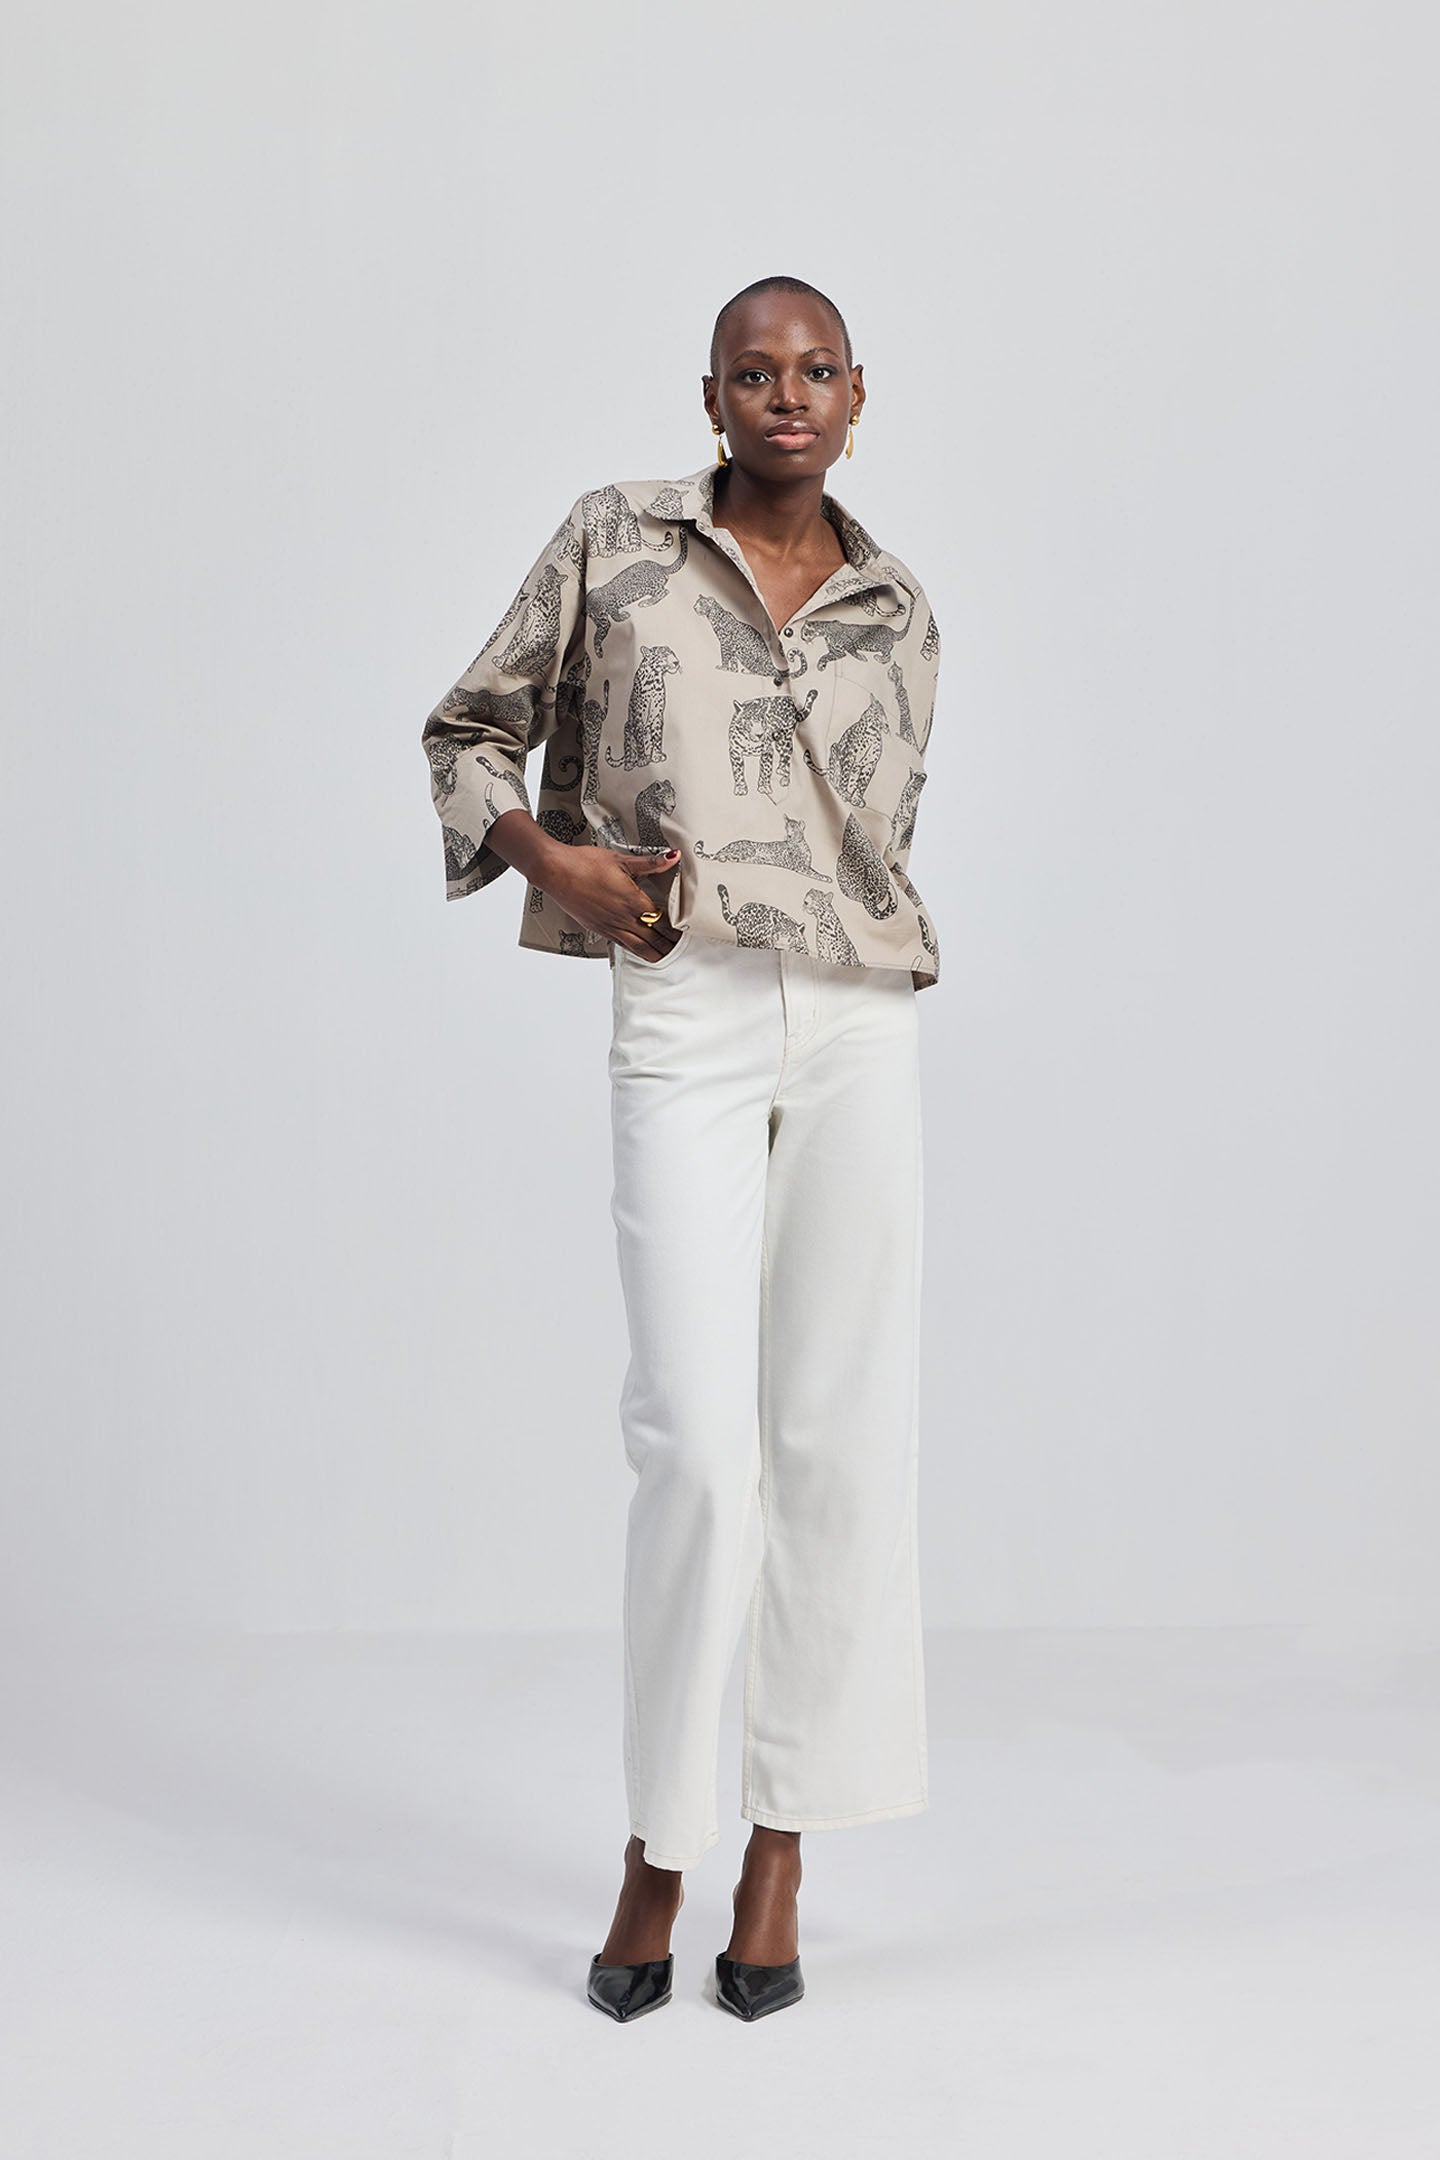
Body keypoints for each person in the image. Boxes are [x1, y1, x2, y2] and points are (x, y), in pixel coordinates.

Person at [421, 275, 943, 2023]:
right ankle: (662, 1840)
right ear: (710, 397)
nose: (786, 396)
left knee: (841, 1440)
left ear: (856, 396)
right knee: (700, 1449)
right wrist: (554, 862)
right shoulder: (616, 541)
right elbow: (467, 728)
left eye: (815, 372)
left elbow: (878, 842)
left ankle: (781, 1847)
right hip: (687, 1004)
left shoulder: (901, 611)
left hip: (858, 1023)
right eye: (753, 373)